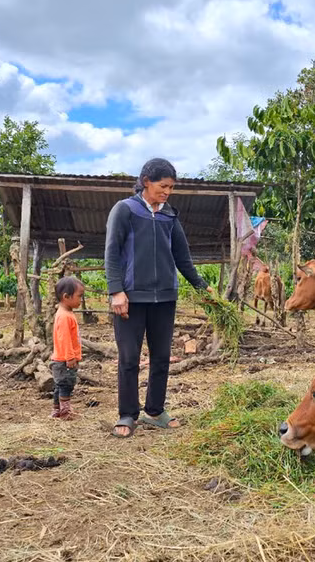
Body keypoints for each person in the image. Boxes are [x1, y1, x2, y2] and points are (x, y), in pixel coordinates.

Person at [105, 158, 213, 438]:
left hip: (164, 298)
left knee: (162, 357)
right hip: (130, 297)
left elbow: (183, 258)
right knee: (129, 357)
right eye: (163, 186)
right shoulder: (125, 210)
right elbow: (112, 252)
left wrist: (202, 287)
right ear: (146, 182)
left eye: (171, 187)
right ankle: (127, 414)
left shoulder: (169, 216)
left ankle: (155, 411)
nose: (167, 192)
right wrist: (116, 291)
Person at [50, 276, 84, 421]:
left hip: (61, 358)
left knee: (60, 385)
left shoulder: (65, 313)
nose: (81, 300)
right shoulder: (64, 316)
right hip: (65, 360)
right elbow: (64, 339)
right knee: (66, 385)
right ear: (66, 297)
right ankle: (65, 412)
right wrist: (70, 357)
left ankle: (56, 410)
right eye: (79, 296)